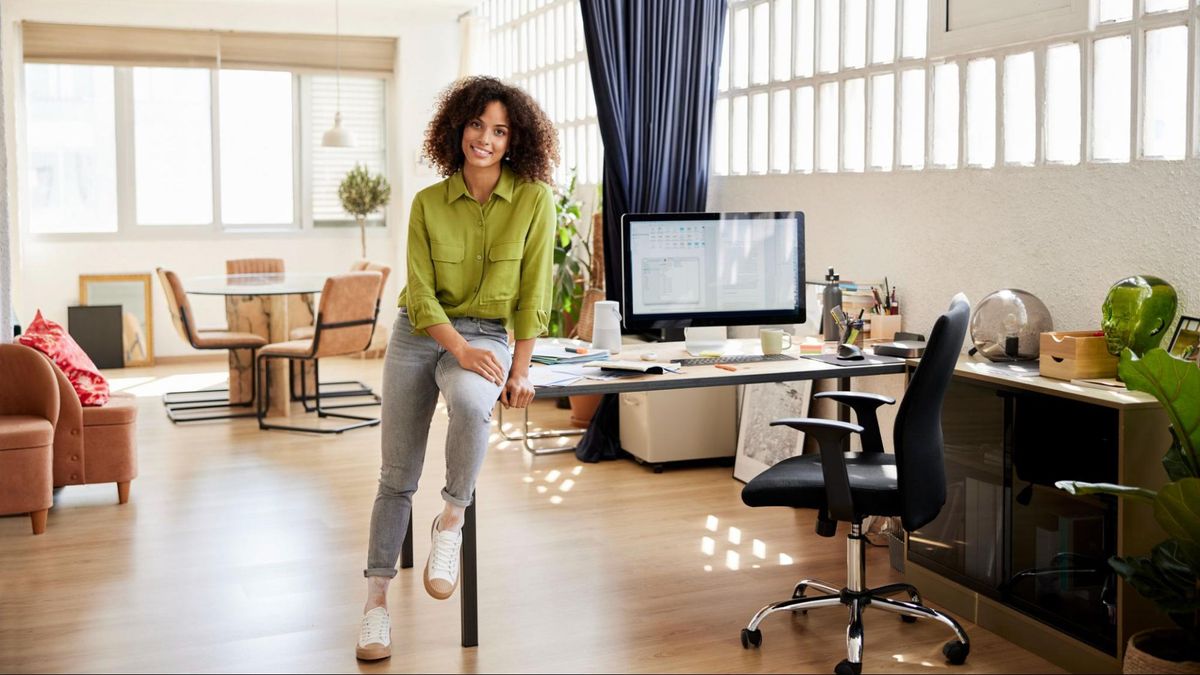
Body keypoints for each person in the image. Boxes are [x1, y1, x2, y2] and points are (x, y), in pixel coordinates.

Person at [356, 76, 558, 661]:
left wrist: (520, 369)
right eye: (477, 125)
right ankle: (375, 606)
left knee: (474, 406)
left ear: (514, 139)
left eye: (499, 130)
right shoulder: (426, 204)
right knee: (397, 474)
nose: (486, 139)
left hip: (488, 335)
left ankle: (451, 519)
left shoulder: (534, 200)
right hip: (420, 336)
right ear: (457, 128)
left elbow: (533, 291)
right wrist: (459, 350)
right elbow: (419, 296)